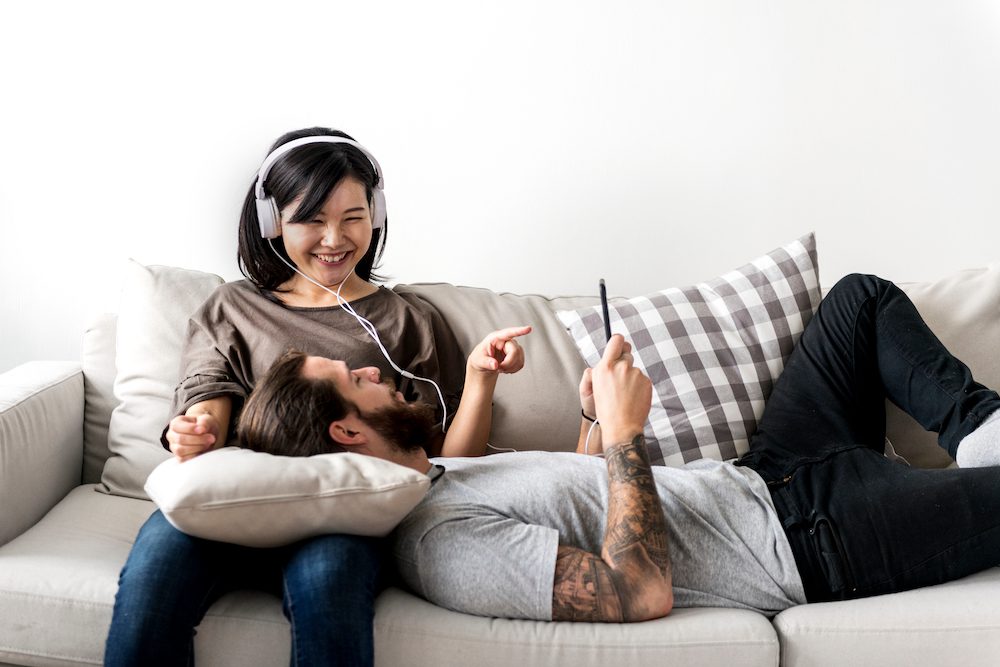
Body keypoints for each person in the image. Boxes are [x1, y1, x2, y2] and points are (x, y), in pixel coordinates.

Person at [237, 273, 1000, 622]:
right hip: (810, 542)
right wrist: (629, 434)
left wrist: (596, 420)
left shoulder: (443, 473)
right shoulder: (440, 542)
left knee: (857, 300)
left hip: (766, 474)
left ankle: (978, 430)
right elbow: (637, 590)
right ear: (345, 430)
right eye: (353, 377)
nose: (372, 370)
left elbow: (582, 491)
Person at [104, 127, 523, 666]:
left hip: (343, 516)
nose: (334, 239)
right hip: (229, 507)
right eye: (312, 220)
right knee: (152, 587)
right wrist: (197, 431)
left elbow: (445, 461)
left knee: (331, 584)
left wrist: (481, 379)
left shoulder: (406, 320)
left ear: (377, 214)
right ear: (271, 221)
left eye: (352, 218)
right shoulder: (232, 308)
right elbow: (208, 400)